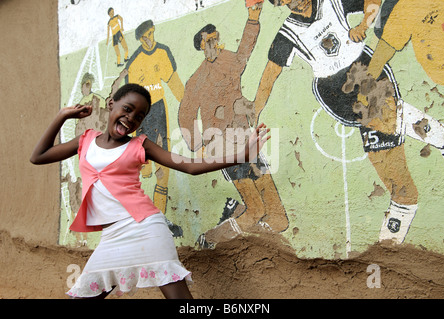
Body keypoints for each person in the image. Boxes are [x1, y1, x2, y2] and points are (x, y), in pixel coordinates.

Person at [30, 83, 270, 299]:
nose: (130, 118)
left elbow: (188, 166)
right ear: (111, 104)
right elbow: (38, 156)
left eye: (139, 116)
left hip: (145, 228)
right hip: (111, 237)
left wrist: (242, 156)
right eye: (127, 109)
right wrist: (62, 116)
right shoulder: (85, 140)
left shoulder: (139, 145)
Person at [253, 0, 444, 244]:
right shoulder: (288, 33)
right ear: (279, 3)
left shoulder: (332, 2)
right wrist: (254, 111)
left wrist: (364, 24)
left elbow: (373, 2)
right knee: (398, 187)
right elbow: (270, 75)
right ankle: (388, 250)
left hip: (367, 70)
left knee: (378, 113)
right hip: (337, 93)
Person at [179, 1, 289, 248]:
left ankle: (235, 213)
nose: (214, 44)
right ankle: (209, 239)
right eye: (209, 41)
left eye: (216, 39)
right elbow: (185, 114)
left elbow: (245, 53)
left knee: (279, 219)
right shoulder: (196, 80)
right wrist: (199, 145)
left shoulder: (228, 60)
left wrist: (253, 19)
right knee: (256, 210)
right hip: (224, 148)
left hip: (247, 140)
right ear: (200, 46)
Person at [125, 20, 185, 236]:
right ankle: (137, 222)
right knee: (143, 171)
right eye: (144, 37)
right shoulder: (134, 62)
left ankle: (159, 221)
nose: (149, 39)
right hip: (142, 118)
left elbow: (175, 83)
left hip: (159, 112)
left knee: (164, 170)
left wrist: (188, 107)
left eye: (151, 34)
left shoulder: (163, 52)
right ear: (140, 40)